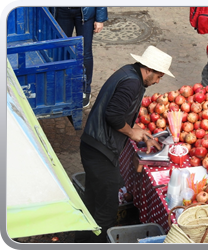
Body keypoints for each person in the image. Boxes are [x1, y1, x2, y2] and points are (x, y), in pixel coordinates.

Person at [74, 45, 174, 243]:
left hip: (93, 146)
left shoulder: (129, 73)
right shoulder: (132, 83)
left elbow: (119, 111)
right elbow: (113, 115)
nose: (158, 81)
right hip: (100, 152)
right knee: (106, 211)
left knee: (92, 202)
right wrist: (131, 133)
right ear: (149, 70)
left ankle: (80, 241)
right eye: (159, 76)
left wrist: (140, 131)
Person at [50, 7, 108, 107]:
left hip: (85, 11)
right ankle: (62, 88)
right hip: (62, 9)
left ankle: (84, 89)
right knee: (62, 51)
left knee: (85, 53)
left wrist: (100, 18)